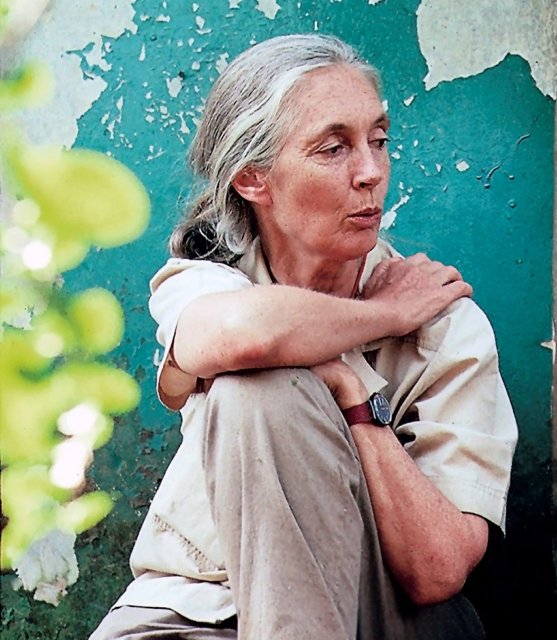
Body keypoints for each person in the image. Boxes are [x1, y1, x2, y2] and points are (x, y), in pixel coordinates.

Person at [89, 33, 518, 640]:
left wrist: (356, 396)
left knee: (260, 388)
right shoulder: (208, 283)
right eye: (333, 148)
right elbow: (237, 335)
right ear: (252, 179)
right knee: (261, 378)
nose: (370, 173)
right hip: (200, 610)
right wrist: (383, 318)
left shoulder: (446, 326)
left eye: (379, 141)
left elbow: (436, 570)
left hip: (381, 616)